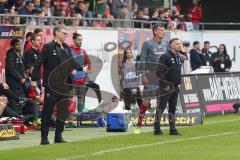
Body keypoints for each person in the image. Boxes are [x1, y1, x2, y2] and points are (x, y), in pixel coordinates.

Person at [31, 26, 80, 145]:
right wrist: (33, 79)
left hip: (65, 85)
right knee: (47, 111)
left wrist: (81, 68)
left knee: (63, 111)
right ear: (56, 33)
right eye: (64, 33)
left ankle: (58, 136)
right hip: (52, 85)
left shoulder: (66, 47)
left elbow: (71, 62)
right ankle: (44, 137)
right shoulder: (48, 47)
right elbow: (38, 63)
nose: (66, 35)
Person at [134, 24, 168, 134]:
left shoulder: (165, 44)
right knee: (146, 101)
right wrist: (143, 75)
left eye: (164, 30)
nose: (164, 32)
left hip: (162, 76)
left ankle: (157, 126)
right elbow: (142, 59)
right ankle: (138, 125)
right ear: (155, 32)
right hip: (151, 75)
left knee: (160, 101)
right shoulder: (147, 44)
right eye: (162, 30)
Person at [155, 38, 182, 135]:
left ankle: (172, 129)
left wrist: (179, 83)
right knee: (161, 107)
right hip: (166, 86)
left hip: (175, 86)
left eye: (180, 43)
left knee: (172, 109)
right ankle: (157, 128)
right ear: (171, 45)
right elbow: (159, 72)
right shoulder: (165, 56)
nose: (179, 45)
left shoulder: (178, 56)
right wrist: (164, 85)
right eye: (177, 44)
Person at [69, 32, 102, 112]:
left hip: (82, 81)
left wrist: (87, 70)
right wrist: (70, 71)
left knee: (81, 100)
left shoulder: (83, 51)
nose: (81, 42)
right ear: (74, 40)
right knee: (71, 100)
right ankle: (70, 121)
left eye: (81, 40)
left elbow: (88, 63)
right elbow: (65, 64)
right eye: (79, 40)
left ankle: (79, 120)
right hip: (71, 82)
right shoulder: (69, 50)